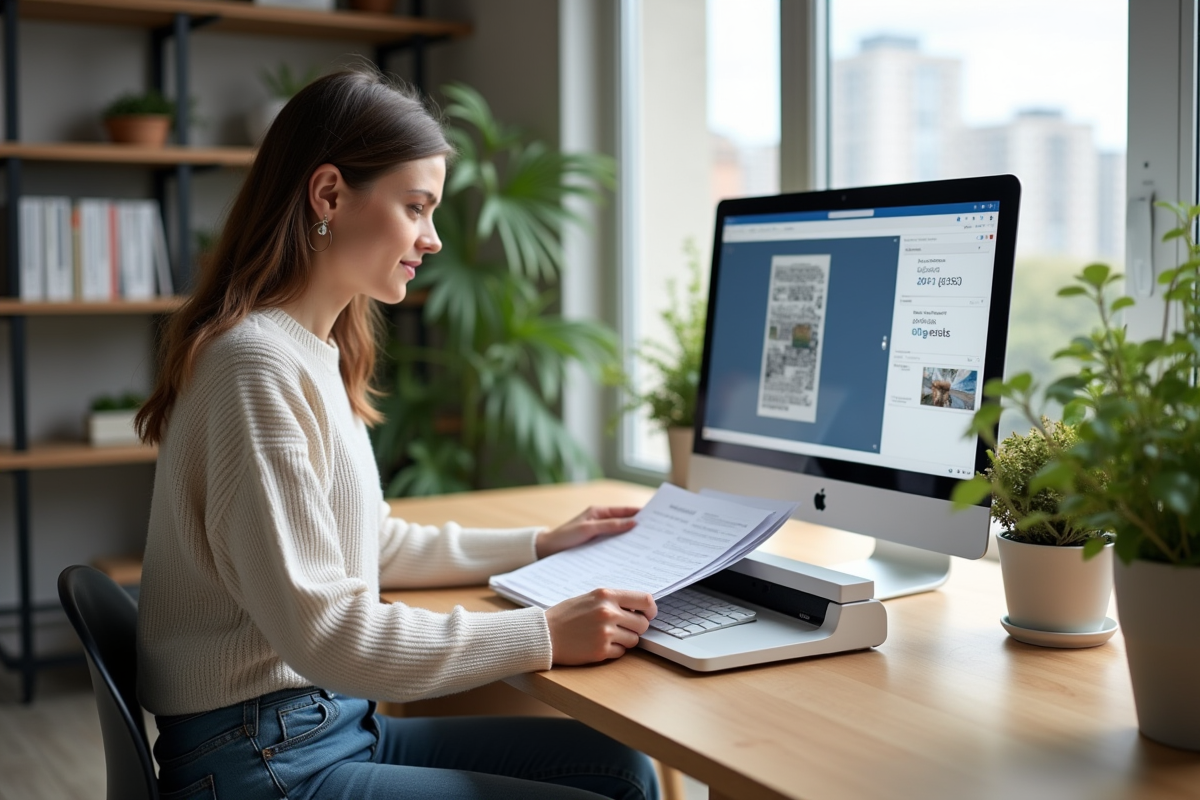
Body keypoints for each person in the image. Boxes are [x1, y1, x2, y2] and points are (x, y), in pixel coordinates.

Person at [135, 66, 661, 800]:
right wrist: (541, 633)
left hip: (318, 724)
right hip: (260, 757)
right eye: (417, 207)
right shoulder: (254, 368)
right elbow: (329, 635)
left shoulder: (310, 351)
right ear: (328, 195)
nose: (433, 239)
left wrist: (538, 545)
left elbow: (367, 542)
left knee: (621, 770)